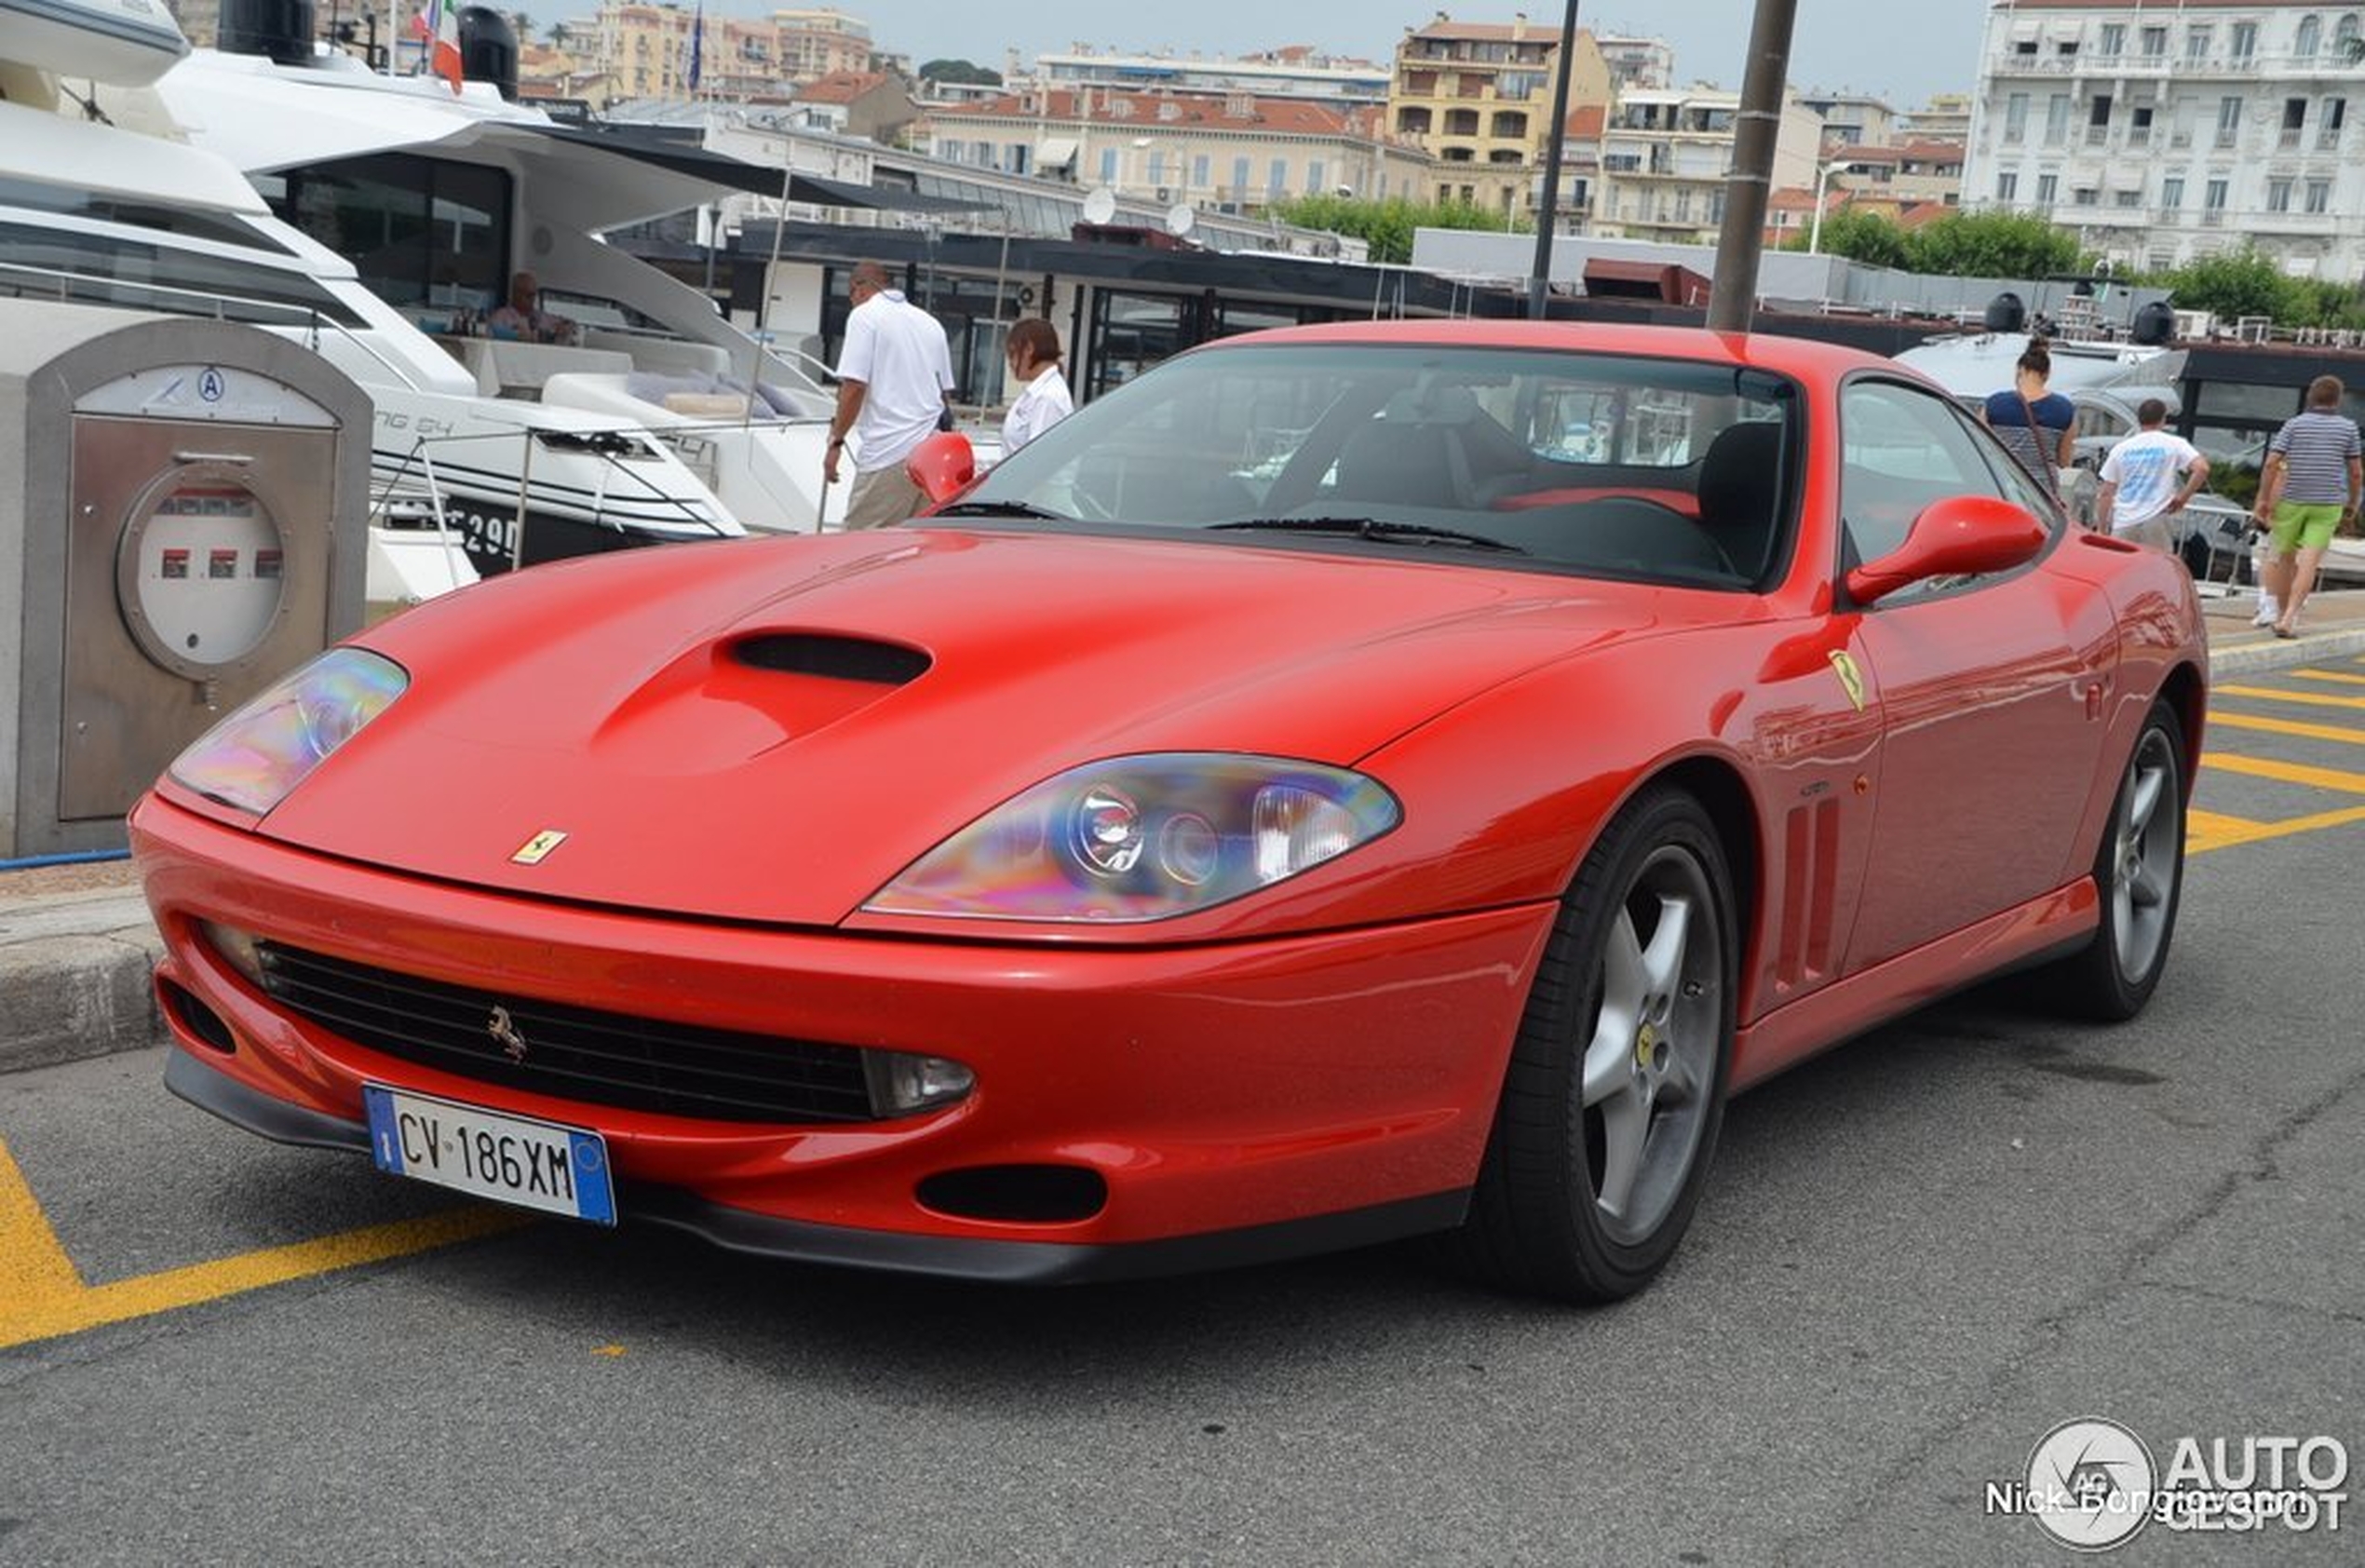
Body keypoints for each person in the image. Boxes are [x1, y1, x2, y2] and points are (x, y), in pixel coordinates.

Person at [824, 261, 956, 530]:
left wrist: (836, 443)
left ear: (858, 289)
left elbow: (854, 386)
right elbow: (944, 398)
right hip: (932, 451)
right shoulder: (931, 324)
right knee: (913, 551)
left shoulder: (865, 316)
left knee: (857, 548)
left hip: (890, 451)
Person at [2250, 374, 2363, 639]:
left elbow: (2271, 463)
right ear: (2338, 400)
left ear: (2311, 397)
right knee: (2309, 562)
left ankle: (2279, 614)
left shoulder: (2293, 425)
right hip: (2327, 503)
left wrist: (2264, 499)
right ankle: (2290, 617)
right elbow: (2356, 472)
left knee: (2283, 558)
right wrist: (2353, 502)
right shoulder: (2349, 428)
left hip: (2291, 501)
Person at [2095, 398, 2210, 554]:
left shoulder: (2121, 449)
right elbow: (2202, 468)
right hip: (2157, 518)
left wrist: (2102, 528)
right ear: (2163, 419)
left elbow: (2106, 492)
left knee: (2120, 572)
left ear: (2139, 419)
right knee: (2156, 570)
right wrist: (2182, 498)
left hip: (2124, 521)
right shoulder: (2174, 443)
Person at [1980, 340, 2076, 510]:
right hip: (2041, 496)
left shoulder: (1994, 404)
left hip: (2002, 488)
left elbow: (1981, 449)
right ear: (2047, 374)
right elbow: (2063, 461)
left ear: (2020, 370)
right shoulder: (2065, 409)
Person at [999, 317, 1074, 455]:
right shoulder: (1039, 392)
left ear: (1029, 349)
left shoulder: (1048, 398)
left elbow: (1038, 458)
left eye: (1012, 354)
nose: (1010, 363)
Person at [486, 270, 578, 345]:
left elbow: (572, 324)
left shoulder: (541, 317)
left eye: (534, 295)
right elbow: (490, 334)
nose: (533, 299)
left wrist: (563, 327)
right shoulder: (501, 317)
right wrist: (517, 335)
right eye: (529, 295)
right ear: (516, 294)